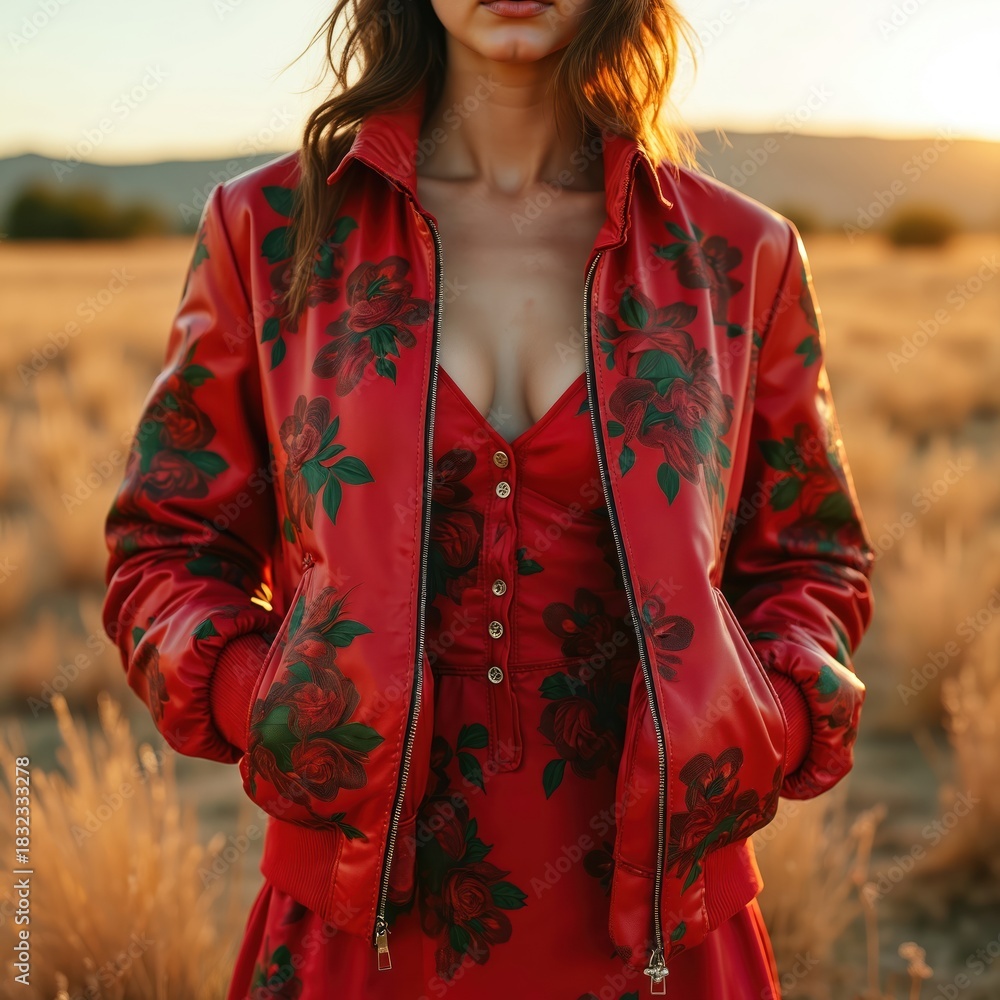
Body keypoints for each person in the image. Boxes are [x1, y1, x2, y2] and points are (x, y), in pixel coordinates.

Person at [101, 1, 877, 997]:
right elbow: (165, 543)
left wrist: (762, 719)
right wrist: (272, 704)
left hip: (663, 929)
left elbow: (813, 556)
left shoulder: (740, 253)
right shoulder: (270, 232)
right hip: (362, 920)